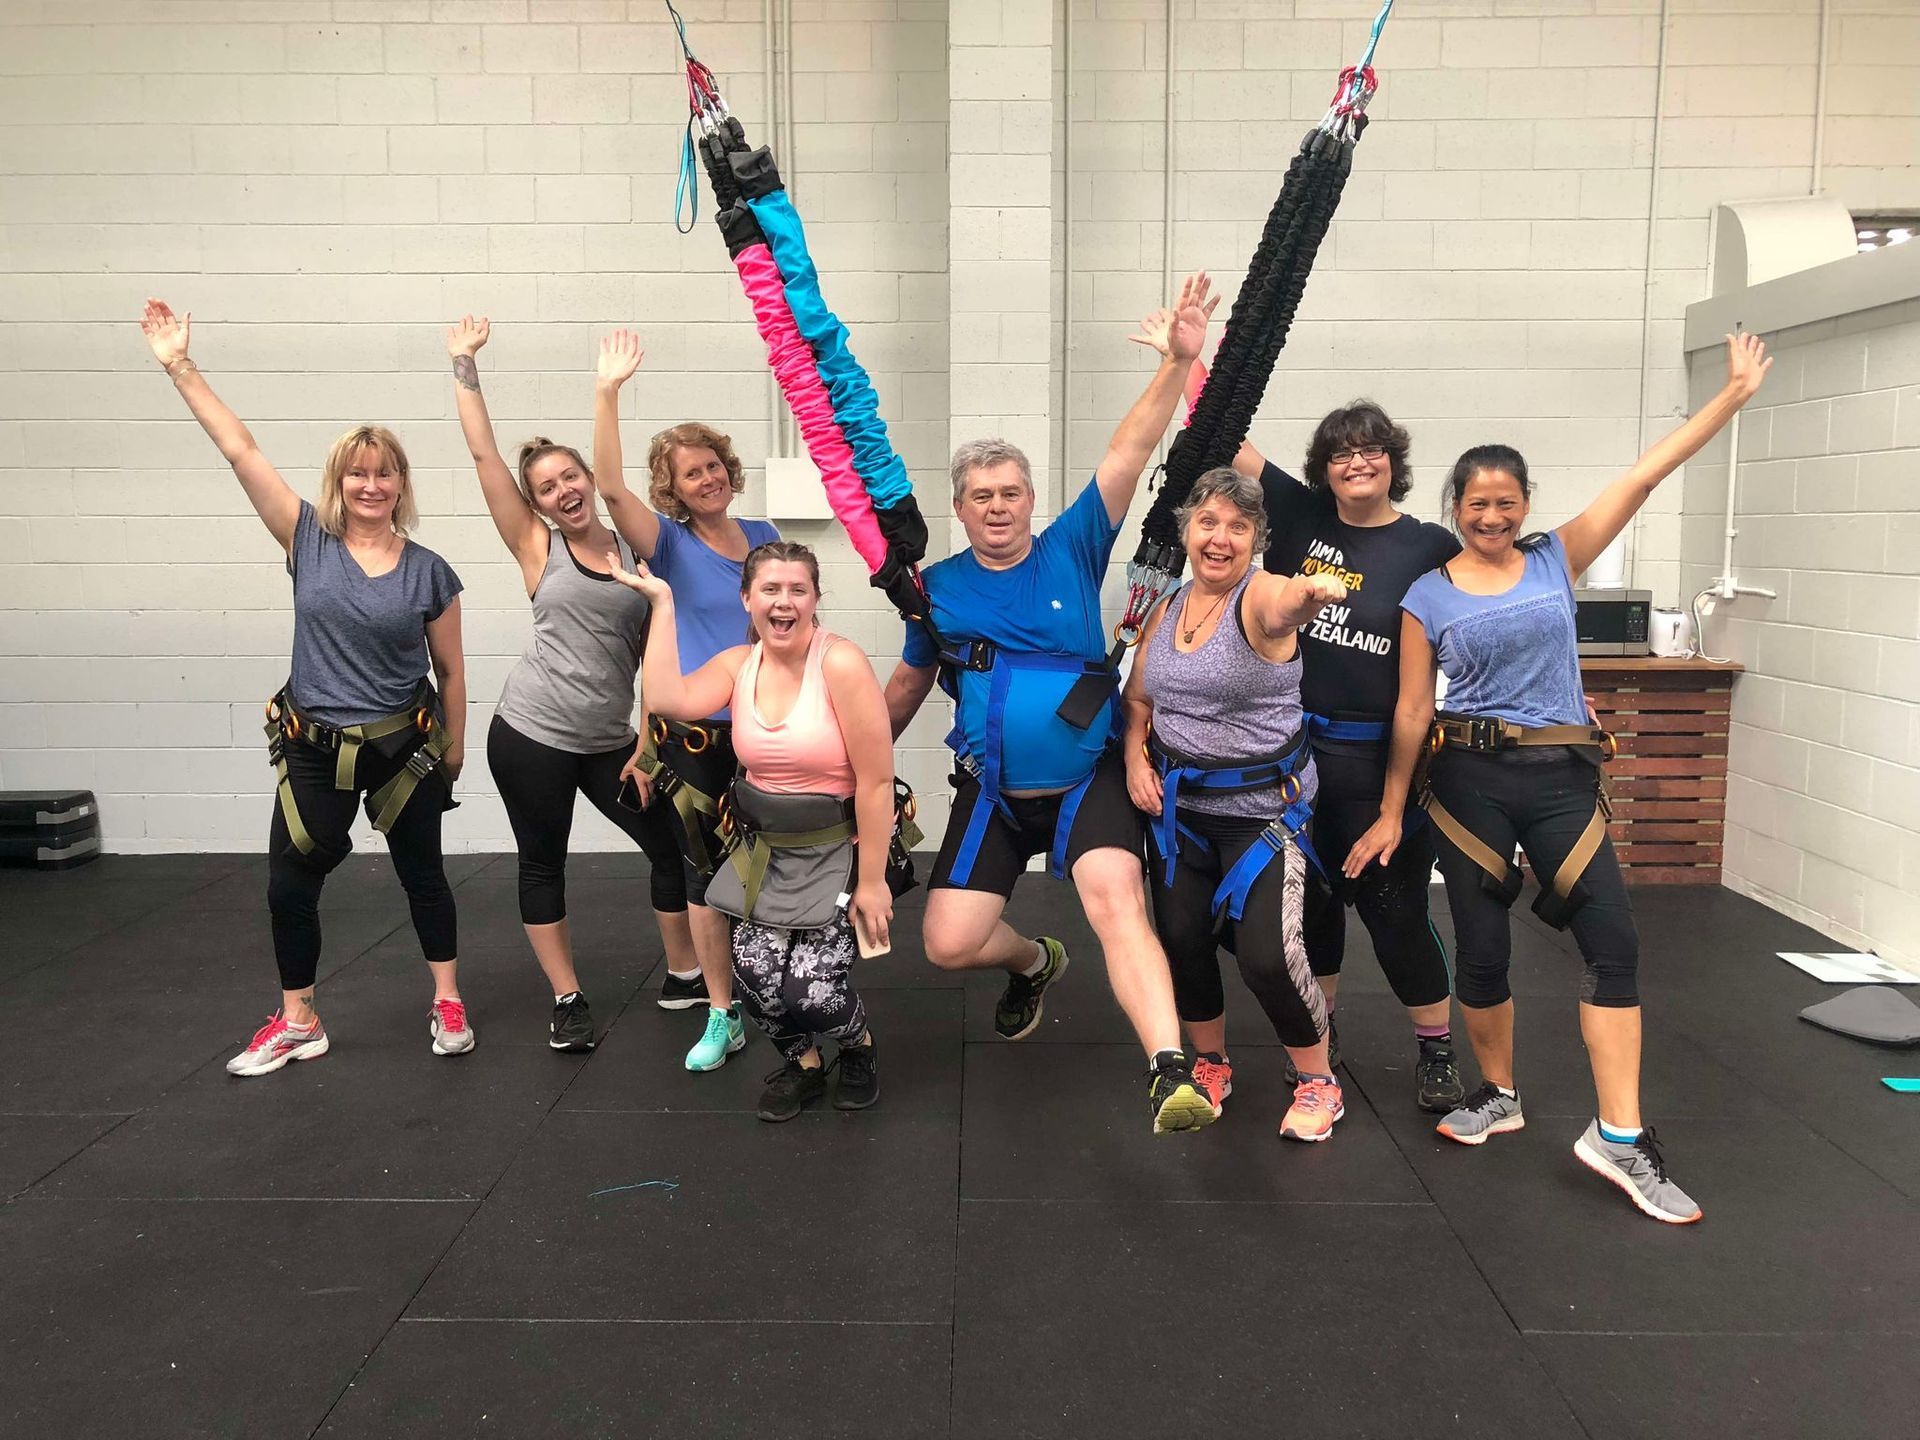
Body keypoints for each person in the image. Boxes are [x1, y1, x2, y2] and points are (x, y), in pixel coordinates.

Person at [1377, 331, 1771, 1224]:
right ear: (1455, 505)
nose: (1491, 516)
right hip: (1468, 785)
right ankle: (1500, 1095)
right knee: (1482, 949)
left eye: (1506, 502)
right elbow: (1410, 712)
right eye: (1476, 503)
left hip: (1561, 779)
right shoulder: (1426, 595)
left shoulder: (1557, 557)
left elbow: (1642, 476)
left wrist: (1732, 399)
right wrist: (1394, 810)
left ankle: (1620, 1138)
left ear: (1524, 505)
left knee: (1613, 945)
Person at [884, 272, 1223, 1135]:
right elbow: (911, 681)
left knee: (1116, 895)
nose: (997, 507)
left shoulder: (1073, 546)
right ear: (959, 510)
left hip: (1085, 778)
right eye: (980, 497)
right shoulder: (937, 590)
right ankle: (1035, 962)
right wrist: (850, 764)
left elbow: (1128, 452)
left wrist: (1179, 365)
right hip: (992, 787)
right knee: (949, 943)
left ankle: (1168, 1065)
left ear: (1031, 499)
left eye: (1011, 493)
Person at [139, 298, 471, 1074]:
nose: (370, 484)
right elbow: (240, 450)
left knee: (423, 873)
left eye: (383, 472)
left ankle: (448, 1000)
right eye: (356, 473)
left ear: (400, 483)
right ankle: (298, 1020)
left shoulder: (430, 572)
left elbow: (452, 670)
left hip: (404, 748)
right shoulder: (305, 539)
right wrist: (179, 364)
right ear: (338, 481)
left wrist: (452, 754)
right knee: (289, 883)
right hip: (314, 745)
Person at [446, 317, 695, 1052]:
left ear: (589, 478)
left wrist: (648, 744)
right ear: (540, 503)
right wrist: (464, 363)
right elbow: (483, 452)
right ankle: (567, 998)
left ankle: (683, 973)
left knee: (670, 845)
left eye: (570, 477)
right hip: (529, 735)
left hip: (608, 739)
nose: (562, 491)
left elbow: (657, 659)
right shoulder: (536, 546)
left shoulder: (643, 550)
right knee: (542, 862)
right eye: (547, 488)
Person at [1233, 404, 1464, 1113]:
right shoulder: (1301, 518)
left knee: (1393, 911)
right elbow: (1225, 433)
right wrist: (1188, 361)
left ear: (1393, 459)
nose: (1357, 463)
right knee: (1314, 908)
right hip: (1296, 753)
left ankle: (1436, 1048)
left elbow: (1483, 612)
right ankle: (1319, 1039)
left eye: (1371, 451)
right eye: (1342, 454)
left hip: (1378, 759)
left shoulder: (1429, 546)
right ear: (1322, 469)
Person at [613, 542, 897, 1122]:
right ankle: (805, 1064)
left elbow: (875, 781)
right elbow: (668, 698)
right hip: (768, 851)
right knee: (757, 976)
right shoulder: (739, 664)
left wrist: (873, 884)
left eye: (798, 589)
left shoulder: (838, 663)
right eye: (770, 590)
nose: (784, 602)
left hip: (840, 850)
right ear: (747, 599)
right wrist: (663, 604)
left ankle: (858, 1047)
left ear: (816, 599)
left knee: (809, 986)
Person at [1120, 468, 1350, 1140]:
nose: (1221, 538)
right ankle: (1212, 1062)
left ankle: (1318, 1080)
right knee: (1184, 943)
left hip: (1263, 817)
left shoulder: (1261, 600)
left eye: (1239, 526)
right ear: (1187, 528)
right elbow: (1138, 699)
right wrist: (1136, 755)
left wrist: (1311, 593)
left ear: (1257, 539)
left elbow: (1287, 605)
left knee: (1267, 959)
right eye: (1209, 522)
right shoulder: (1166, 607)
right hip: (1180, 814)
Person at [590, 331, 781, 1072]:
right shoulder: (666, 544)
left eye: (712, 466)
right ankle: (722, 1012)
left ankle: (780, 991)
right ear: (672, 489)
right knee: (706, 876)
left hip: (768, 727)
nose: (705, 479)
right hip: (697, 735)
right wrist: (607, 393)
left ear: (728, 470)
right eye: (689, 474)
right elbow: (609, 489)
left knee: (777, 864)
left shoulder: (764, 536)